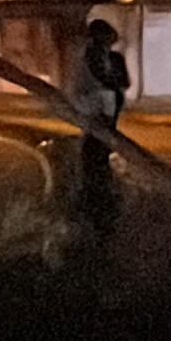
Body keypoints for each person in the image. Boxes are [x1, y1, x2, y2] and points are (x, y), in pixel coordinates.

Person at [61, 18, 132, 232]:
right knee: (95, 151)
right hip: (96, 109)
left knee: (97, 151)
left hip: (101, 110)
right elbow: (103, 80)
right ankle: (96, 200)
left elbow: (121, 82)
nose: (110, 42)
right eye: (107, 38)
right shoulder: (92, 55)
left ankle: (96, 196)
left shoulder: (105, 56)